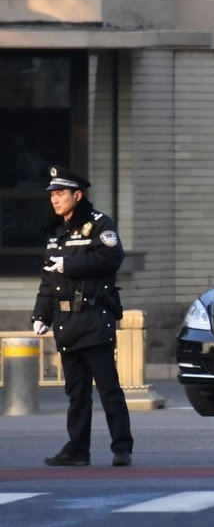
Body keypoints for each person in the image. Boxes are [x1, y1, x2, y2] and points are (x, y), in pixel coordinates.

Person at [31, 166, 133, 467]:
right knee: (76, 393)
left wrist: (69, 265)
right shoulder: (55, 232)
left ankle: (121, 448)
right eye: (53, 195)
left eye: (61, 194)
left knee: (108, 388)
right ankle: (77, 449)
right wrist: (41, 315)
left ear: (78, 195)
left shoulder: (99, 224)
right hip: (66, 323)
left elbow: (111, 257)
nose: (55, 200)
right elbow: (48, 280)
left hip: (93, 317)